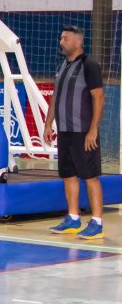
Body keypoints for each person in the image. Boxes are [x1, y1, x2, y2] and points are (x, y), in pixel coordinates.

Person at [45, 25, 105, 239]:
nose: (61, 42)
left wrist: (93, 131)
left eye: (65, 38)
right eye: (61, 38)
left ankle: (97, 223)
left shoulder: (89, 66)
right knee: (68, 175)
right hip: (65, 131)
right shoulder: (62, 65)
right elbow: (55, 96)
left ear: (77, 42)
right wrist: (48, 123)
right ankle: (73, 218)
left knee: (90, 177)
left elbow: (98, 98)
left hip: (83, 132)